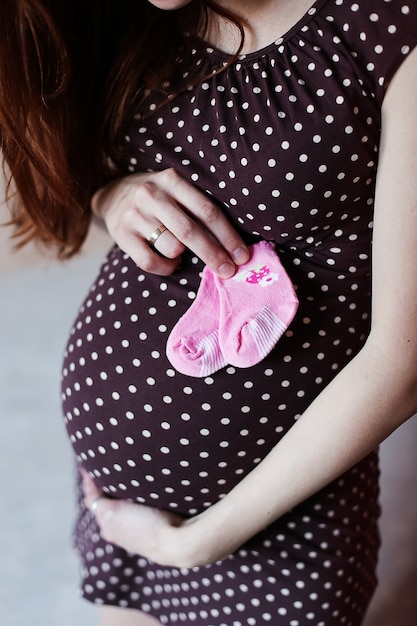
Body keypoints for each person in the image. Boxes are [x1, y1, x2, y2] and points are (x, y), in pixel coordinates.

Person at [2, 1, 417, 625]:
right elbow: (90, 178)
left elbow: (402, 359)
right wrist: (112, 196)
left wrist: (200, 540)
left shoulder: (389, 28)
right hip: (118, 511)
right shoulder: (149, 19)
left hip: (276, 524)